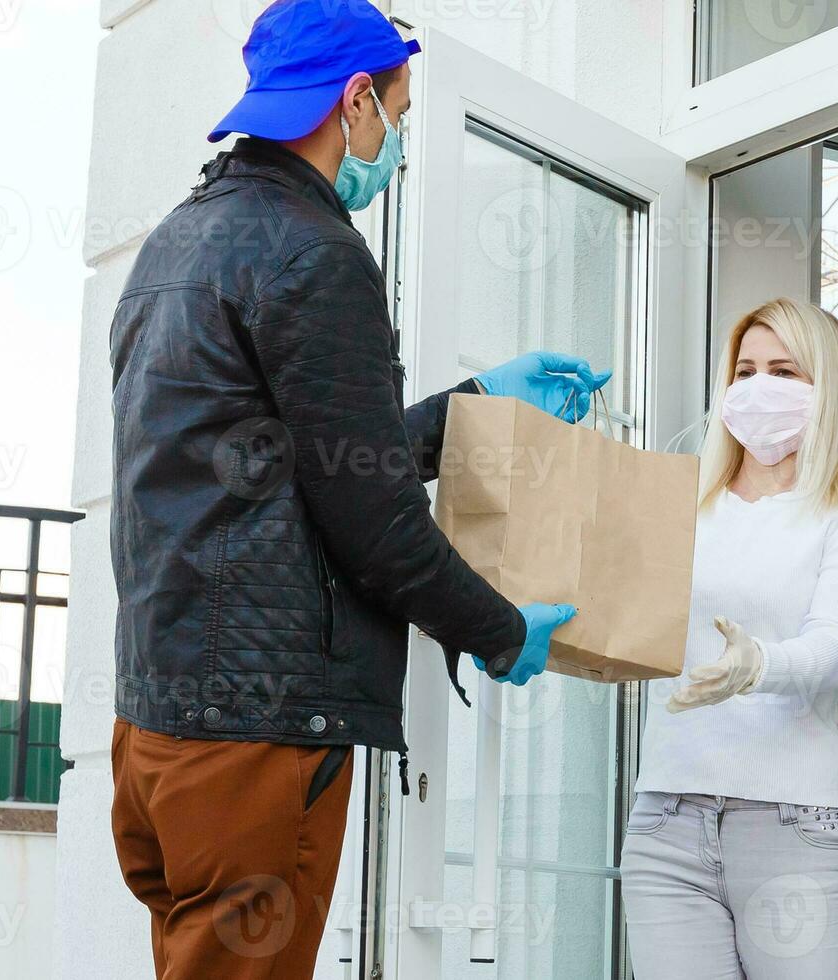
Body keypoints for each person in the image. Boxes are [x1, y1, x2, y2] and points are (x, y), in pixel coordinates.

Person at [106, 3, 603, 976]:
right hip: (260, 738)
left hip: (159, 733)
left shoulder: (174, 248)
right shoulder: (314, 249)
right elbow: (375, 523)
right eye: (400, 119)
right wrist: (500, 629)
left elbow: (299, 463)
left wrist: (474, 403)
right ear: (356, 99)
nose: (397, 148)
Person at [621, 298, 838, 979]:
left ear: (825, 387)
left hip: (794, 826)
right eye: (744, 370)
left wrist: (757, 665)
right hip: (666, 822)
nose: (756, 387)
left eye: (783, 370)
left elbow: (834, 645)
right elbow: (614, 607)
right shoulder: (681, 505)